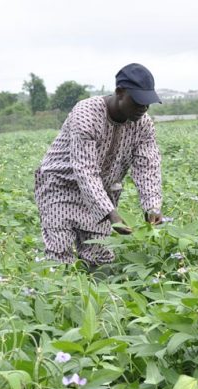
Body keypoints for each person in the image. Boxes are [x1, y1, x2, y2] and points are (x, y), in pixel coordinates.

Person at [34, 63, 163, 268]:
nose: (144, 108)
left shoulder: (143, 124)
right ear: (120, 92)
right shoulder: (87, 114)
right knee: (60, 254)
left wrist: (152, 206)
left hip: (102, 190)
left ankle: (100, 298)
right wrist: (110, 213)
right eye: (138, 102)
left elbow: (147, 165)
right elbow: (84, 171)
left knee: (100, 259)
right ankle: (61, 296)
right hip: (60, 186)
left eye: (148, 103)